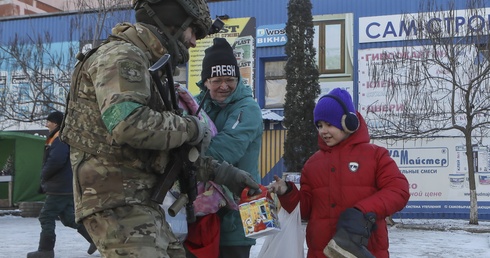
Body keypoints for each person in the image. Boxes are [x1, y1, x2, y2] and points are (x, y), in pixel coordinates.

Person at [59, 1, 260, 257]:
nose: (194, 42)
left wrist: (221, 172)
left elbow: (166, 153)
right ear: (174, 22)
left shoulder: (146, 64)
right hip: (117, 203)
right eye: (194, 32)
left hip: (142, 203)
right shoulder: (122, 56)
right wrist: (193, 127)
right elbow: (128, 124)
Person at [267, 88, 410, 258]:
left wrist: (362, 211)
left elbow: (398, 191)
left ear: (348, 122)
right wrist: (287, 192)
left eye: (329, 124)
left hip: (364, 250)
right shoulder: (312, 164)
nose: (323, 131)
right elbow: (306, 211)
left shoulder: (376, 156)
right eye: (319, 125)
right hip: (322, 252)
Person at [184, 38, 263, 258]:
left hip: (236, 215)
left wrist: (182, 157)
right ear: (205, 81)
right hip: (200, 214)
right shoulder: (195, 104)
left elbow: (226, 150)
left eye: (230, 79)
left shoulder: (248, 109)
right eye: (217, 80)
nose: (224, 86)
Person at [27, 111, 96, 258]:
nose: (46, 124)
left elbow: (56, 161)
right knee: (68, 218)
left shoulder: (59, 139)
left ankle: (45, 250)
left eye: (49, 121)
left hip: (59, 187)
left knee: (46, 216)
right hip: (64, 186)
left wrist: (43, 176)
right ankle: (96, 239)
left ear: (56, 123)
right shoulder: (60, 137)